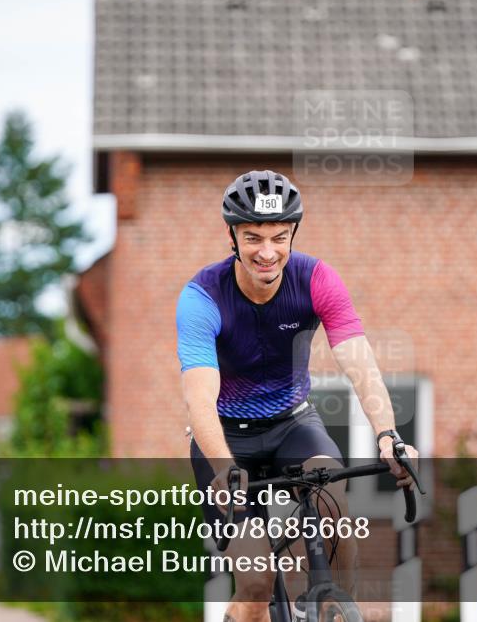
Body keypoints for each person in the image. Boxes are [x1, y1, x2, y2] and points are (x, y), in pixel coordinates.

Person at [176, 170, 418, 622]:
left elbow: (359, 363)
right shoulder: (202, 297)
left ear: (293, 234)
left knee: (334, 506)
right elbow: (200, 401)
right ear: (232, 236)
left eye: (279, 237)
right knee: (254, 584)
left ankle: (334, 606)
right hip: (226, 437)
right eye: (253, 238)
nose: (266, 252)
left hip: (294, 424)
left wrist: (389, 435)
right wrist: (226, 468)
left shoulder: (316, 279)